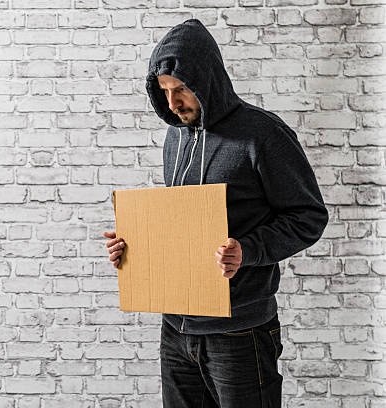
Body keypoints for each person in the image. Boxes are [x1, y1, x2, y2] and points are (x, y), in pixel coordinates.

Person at [103, 18, 328, 408]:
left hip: (239, 332)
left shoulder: (263, 134)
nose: (173, 104)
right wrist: (133, 249)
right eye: (165, 92)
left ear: (207, 80)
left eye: (181, 90)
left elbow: (308, 216)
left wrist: (248, 249)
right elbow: (181, 223)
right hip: (175, 330)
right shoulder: (176, 135)